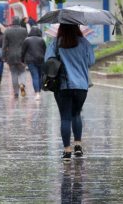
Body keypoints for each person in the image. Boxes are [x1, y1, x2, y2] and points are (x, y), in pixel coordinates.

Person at [44, 24, 95, 161]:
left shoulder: (55, 43)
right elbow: (91, 61)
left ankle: (67, 151)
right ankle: (78, 145)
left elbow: (48, 61)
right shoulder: (84, 42)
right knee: (76, 114)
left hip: (62, 85)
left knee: (65, 117)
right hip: (81, 86)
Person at [2, 16, 28, 98]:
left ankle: (16, 93)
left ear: (12, 22)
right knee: (22, 71)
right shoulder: (24, 31)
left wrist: (4, 57)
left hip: (11, 55)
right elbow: (26, 43)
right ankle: (22, 84)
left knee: (14, 73)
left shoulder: (7, 31)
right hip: (22, 55)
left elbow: (4, 46)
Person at [21, 26, 46, 100]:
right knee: (40, 76)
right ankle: (39, 90)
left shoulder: (27, 40)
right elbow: (45, 50)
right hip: (41, 60)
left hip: (30, 61)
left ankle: (37, 93)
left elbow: (23, 51)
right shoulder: (42, 40)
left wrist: (22, 60)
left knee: (35, 76)